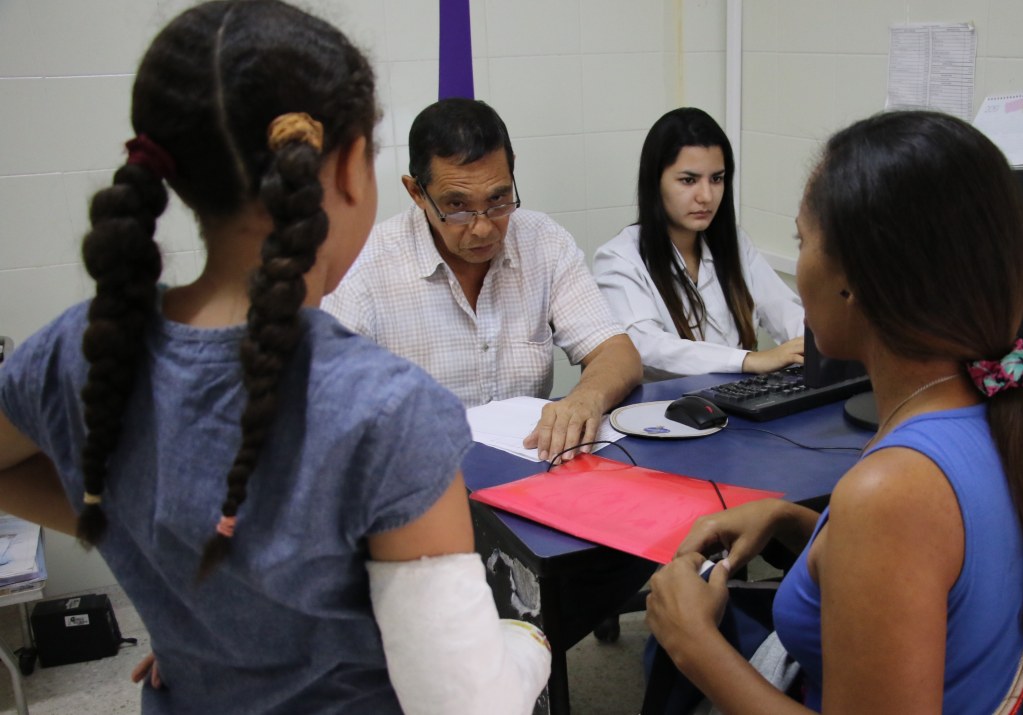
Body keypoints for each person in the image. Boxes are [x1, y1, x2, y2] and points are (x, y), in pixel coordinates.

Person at [0, 2, 548, 713]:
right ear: (351, 168)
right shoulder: (389, 412)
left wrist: (188, 583)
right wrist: (526, 638)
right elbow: (470, 705)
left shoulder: (79, 350)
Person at [644, 111, 1023, 714]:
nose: (800, 263)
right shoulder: (1005, 412)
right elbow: (935, 580)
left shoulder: (894, 489)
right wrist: (797, 521)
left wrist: (694, 645)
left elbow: (904, 535)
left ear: (854, 282)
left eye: (803, 242)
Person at [322, 98, 640, 462]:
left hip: (528, 470)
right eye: (457, 206)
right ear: (416, 193)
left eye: (499, 198)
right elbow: (325, 406)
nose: (483, 227)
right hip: (416, 479)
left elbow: (616, 351)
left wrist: (585, 398)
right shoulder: (366, 267)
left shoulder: (543, 241)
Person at [594, 107, 805, 381]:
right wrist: (750, 360)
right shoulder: (619, 257)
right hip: (666, 412)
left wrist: (814, 344)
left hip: (739, 403)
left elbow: (784, 309)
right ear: (655, 182)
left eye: (716, 179)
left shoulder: (734, 243)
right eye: (688, 180)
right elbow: (645, 346)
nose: (706, 196)